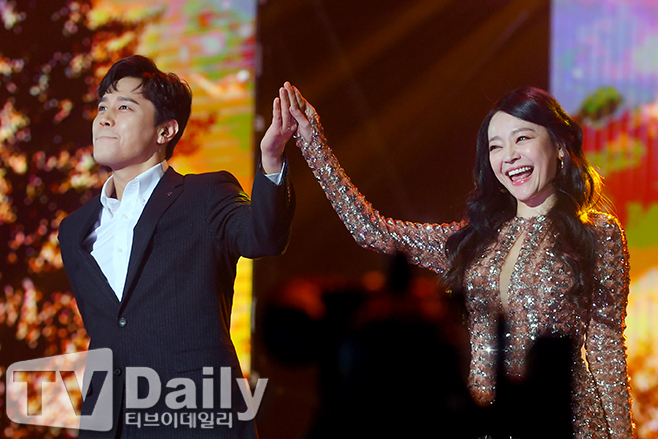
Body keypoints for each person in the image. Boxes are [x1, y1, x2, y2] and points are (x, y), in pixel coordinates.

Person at [283, 83, 634, 438]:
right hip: (482, 423)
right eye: (496, 146)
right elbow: (371, 230)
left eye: (522, 138)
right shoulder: (472, 241)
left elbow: (605, 348)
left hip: (564, 423)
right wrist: (312, 142)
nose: (509, 155)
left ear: (558, 145)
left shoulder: (596, 233)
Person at [57, 55, 296, 438]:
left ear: (165, 130)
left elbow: (263, 236)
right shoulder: (74, 230)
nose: (105, 118)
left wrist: (271, 159)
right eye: (102, 107)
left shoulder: (204, 195)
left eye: (124, 107)